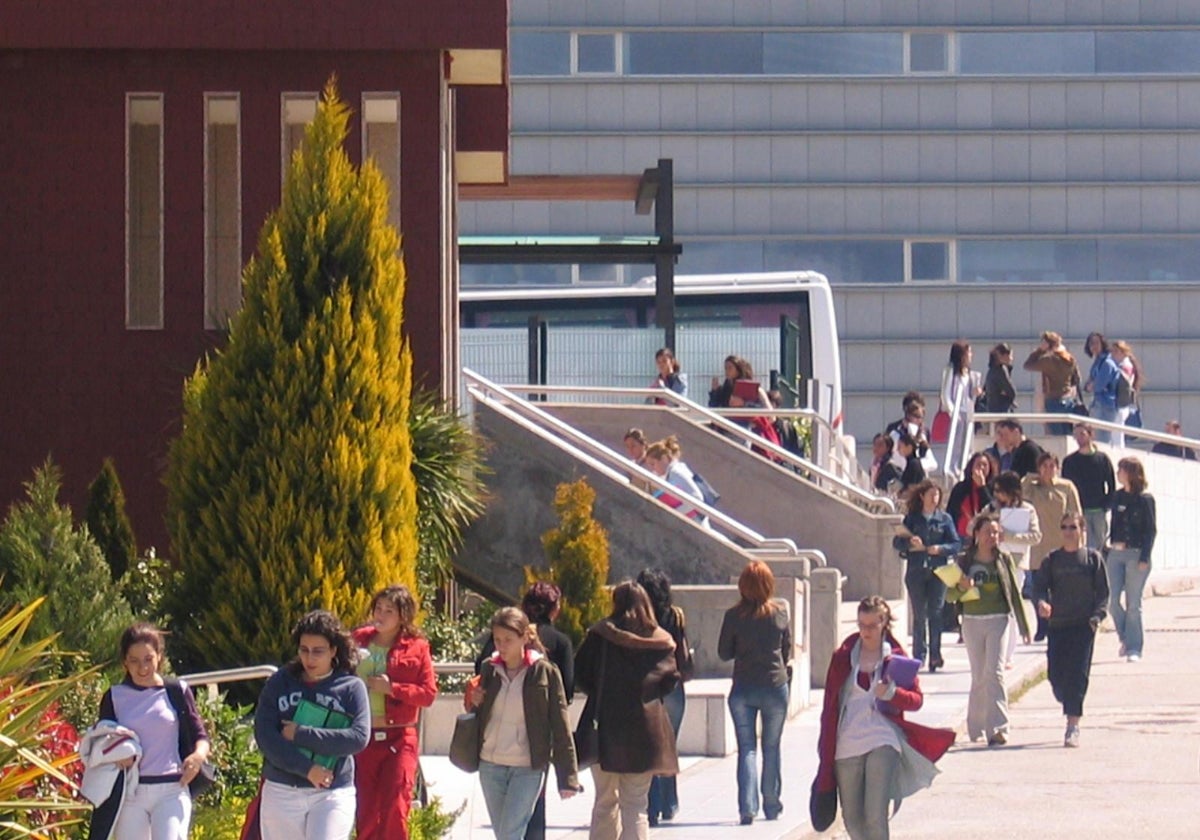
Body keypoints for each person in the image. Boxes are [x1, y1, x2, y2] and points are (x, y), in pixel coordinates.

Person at [813, 597, 955, 840]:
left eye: (872, 626)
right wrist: (825, 752)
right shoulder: (843, 657)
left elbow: (916, 700)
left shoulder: (896, 658)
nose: (866, 631)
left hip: (883, 738)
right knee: (853, 821)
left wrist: (892, 694)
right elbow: (829, 709)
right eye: (861, 625)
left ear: (884, 623)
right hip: (847, 742)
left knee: (875, 815)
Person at [574, 581, 680, 840]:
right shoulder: (662, 641)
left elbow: (580, 674)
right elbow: (672, 679)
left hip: (604, 728)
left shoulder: (600, 635)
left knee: (605, 802)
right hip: (645, 732)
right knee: (636, 805)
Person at [464, 607, 580, 840]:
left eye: (508, 640)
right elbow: (477, 713)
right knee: (505, 834)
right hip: (490, 765)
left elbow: (560, 724)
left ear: (524, 638)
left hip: (527, 767)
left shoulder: (543, 672)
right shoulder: (490, 668)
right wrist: (474, 700)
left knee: (510, 834)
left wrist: (567, 776)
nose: (501, 646)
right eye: (497, 640)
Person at [254, 610, 371, 840]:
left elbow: (358, 737)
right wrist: (307, 769)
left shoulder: (350, 687)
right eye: (304, 650)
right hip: (282, 790)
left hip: (332, 792)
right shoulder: (280, 682)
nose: (310, 659)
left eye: (318, 651)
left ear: (333, 650)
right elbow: (266, 736)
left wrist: (300, 734)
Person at [94, 622, 211, 840]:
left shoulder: (177, 690)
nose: (143, 668)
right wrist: (117, 753)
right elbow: (102, 741)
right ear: (124, 663)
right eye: (134, 661)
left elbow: (201, 737)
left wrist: (197, 757)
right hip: (131, 793)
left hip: (172, 789)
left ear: (159, 656)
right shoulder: (114, 697)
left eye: (148, 659)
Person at [352, 586, 437, 840]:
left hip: (399, 737)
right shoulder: (357, 639)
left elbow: (428, 694)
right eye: (378, 608)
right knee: (365, 809)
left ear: (403, 616)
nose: (382, 614)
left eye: (389, 610)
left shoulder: (417, 646)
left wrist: (393, 689)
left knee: (395, 807)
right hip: (363, 736)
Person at [717, 560, 791, 826]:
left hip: (743, 688)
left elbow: (723, 652)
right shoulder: (780, 613)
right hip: (775, 686)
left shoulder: (733, 616)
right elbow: (787, 652)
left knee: (747, 749)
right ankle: (771, 803)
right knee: (771, 746)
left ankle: (747, 808)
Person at [947, 515, 1031, 745]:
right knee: (979, 676)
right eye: (987, 532)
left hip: (998, 620)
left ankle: (998, 728)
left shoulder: (1003, 560)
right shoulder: (964, 562)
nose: (991, 537)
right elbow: (950, 595)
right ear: (976, 535)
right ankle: (976, 727)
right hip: (972, 621)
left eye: (995, 533)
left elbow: (1014, 592)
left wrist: (1024, 625)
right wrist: (962, 587)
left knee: (995, 673)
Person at [1031, 513, 1109, 748]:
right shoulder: (1052, 560)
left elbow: (1104, 594)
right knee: (1056, 676)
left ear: (1082, 530)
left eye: (1073, 527)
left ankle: (1072, 725)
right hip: (1058, 626)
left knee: (1077, 675)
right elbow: (1039, 588)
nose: (1068, 531)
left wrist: (1097, 617)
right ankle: (1066, 699)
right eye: (1064, 527)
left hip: (1082, 627)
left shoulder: (1092, 559)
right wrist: (1042, 603)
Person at [636, 569, 692, 827]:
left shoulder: (636, 618)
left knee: (649, 749)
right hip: (673, 687)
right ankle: (669, 803)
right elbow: (682, 653)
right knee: (668, 746)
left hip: (647, 687)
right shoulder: (675, 615)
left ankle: (653, 805)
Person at [892, 480, 962, 672]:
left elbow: (956, 544)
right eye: (931, 494)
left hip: (938, 571)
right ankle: (919, 655)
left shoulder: (945, 519)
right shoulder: (912, 519)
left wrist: (940, 549)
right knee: (919, 614)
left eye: (937, 495)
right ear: (922, 496)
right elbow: (897, 542)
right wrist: (909, 542)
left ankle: (935, 655)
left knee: (936, 613)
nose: (935, 498)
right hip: (916, 570)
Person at [1021, 453, 1082, 641]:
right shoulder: (1032, 488)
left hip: (1060, 542)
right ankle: (1042, 625)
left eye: (1051, 465)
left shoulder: (1066, 487)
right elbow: (1020, 496)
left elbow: (1076, 515)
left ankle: (1057, 623)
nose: (1048, 469)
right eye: (1044, 466)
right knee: (1037, 589)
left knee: (1059, 588)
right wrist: (1031, 477)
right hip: (1039, 546)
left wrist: (1078, 542)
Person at [984, 471, 1042, 668]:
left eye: (1001, 491)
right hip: (992, 561)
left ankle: (1007, 655)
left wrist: (1008, 536)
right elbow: (974, 526)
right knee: (994, 608)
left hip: (1015, 564)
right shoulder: (992, 509)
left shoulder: (1028, 510)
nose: (998, 495)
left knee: (1010, 609)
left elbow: (1035, 536)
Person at [1108, 457, 1157, 662]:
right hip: (1116, 553)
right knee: (1111, 601)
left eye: (1121, 470)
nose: (1118, 473)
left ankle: (1134, 647)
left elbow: (1150, 530)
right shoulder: (1118, 496)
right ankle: (1125, 637)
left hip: (1136, 554)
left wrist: (1145, 556)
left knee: (1133, 603)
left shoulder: (1145, 499)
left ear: (1131, 473)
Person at [1062, 423, 1117, 552]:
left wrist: (1106, 505)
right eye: (1076, 435)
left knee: (1100, 546)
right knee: (1082, 546)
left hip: (1098, 511)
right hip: (1080, 511)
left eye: (1082, 434)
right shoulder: (1070, 461)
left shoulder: (1102, 459)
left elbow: (1111, 484)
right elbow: (1066, 487)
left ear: (1091, 435)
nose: (1079, 438)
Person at [1023, 331, 1081, 435]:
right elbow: (1077, 378)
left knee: (1055, 435)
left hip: (1053, 400)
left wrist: (1039, 351)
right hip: (1068, 398)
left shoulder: (1049, 360)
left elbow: (1028, 365)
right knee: (1067, 435)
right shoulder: (1069, 358)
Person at [939, 339, 983, 476]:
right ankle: (952, 468)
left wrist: (976, 392)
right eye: (968, 352)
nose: (970, 355)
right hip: (955, 413)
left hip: (967, 411)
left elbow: (969, 395)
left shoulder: (969, 374)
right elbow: (945, 393)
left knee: (967, 442)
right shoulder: (951, 370)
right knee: (956, 442)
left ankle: (963, 468)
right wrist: (952, 411)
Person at [643, 437, 707, 526]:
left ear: (664, 458)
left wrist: (674, 514)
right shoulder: (673, 472)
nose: (653, 469)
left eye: (653, 464)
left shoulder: (676, 472)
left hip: (696, 521)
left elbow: (697, 498)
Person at [1082, 332, 1123, 445]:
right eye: (1091, 344)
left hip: (1106, 405)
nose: (1093, 346)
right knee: (1095, 437)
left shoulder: (1107, 362)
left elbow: (1099, 385)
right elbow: (1088, 383)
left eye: (1096, 343)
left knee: (1102, 439)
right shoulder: (1097, 362)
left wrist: (1092, 385)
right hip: (1097, 403)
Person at [886, 391, 937, 475]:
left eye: (921, 416)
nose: (919, 420)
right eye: (915, 416)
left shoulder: (924, 432)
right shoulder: (893, 430)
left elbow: (929, 459)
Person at [946, 452, 994, 540]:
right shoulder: (960, 487)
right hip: (961, 535)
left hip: (984, 537)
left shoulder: (993, 488)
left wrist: (982, 487)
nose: (981, 468)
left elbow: (992, 509)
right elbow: (950, 512)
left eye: (985, 465)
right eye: (978, 464)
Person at [1110, 340, 1144, 428]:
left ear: (1123, 353)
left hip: (1121, 404)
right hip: (1121, 403)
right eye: (1112, 351)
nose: (1113, 354)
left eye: (1116, 351)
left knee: (1116, 432)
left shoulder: (1125, 366)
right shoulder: (1122, 365)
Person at [983, 342, 1017, 414]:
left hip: (992, 410)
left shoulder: (992, 370)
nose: (1011, 359)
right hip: (1001, 411)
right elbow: (1012, 392)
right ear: (1004, 356)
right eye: (1010, 355)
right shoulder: (1000, 370)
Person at [895, 432, 926, 498]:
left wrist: (899, 496)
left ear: (909, 447)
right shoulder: (911, 463)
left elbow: (912, 487)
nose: (897, 449)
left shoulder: (914, 464)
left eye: (900, 446)